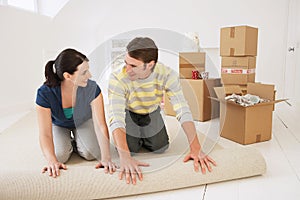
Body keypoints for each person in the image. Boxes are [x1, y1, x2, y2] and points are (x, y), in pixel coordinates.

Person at [108, 37, 217, 185]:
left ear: (150, 65)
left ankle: (143, 135)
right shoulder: (117, 77)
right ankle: (136, 137)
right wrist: (125, 156)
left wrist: (196, 148)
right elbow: (116, 115)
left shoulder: (167, 74)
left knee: (161, 147)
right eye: (126, 62)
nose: (127, 69)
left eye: (133, 65)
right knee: (130, 149)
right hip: (128, 113)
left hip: (152, 111)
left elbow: (182, 109)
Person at [36, 48, 116, 178]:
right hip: (59, 124)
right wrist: (52, 161)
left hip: (84, 121)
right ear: (67, 76)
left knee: (91, 154)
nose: (89, 75)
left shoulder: (92, 88)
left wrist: (106, 158)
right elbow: (45, 133)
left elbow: (100, 125)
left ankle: (77, 140)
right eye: (84, 72)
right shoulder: (45, 93)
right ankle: (70, 141)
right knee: (60, 156)